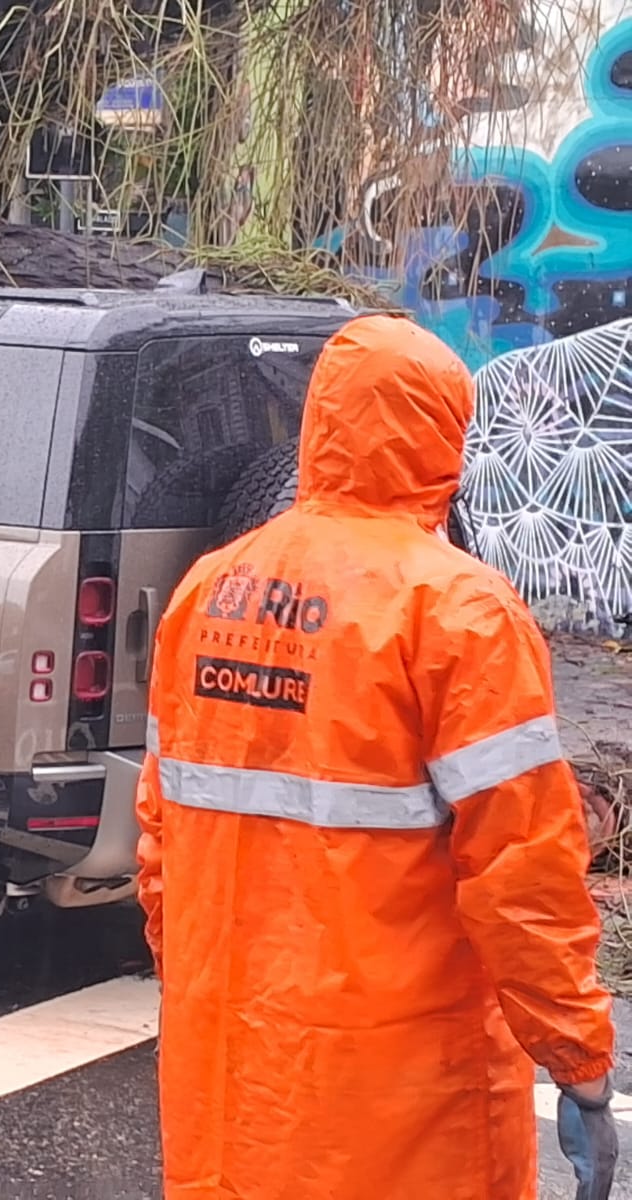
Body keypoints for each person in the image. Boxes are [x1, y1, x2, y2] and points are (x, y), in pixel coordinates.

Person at [135, 313, 617, 1198]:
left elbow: (162, 835)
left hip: (232, 1066)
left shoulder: (210, 590)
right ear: (441, 433)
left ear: (320, 422)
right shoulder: (458, 611)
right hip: (399, 1086)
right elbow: (523, 870)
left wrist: (196, 982)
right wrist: (577, 1055)